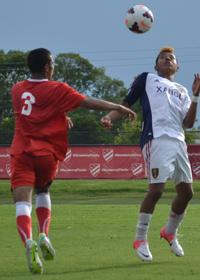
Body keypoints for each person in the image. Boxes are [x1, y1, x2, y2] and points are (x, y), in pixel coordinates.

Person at [10, 48, 136, 274]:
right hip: (46, 154)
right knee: (42, 192)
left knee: (21, 202)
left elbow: (32, 111)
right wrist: (116, 106)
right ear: (48, 67)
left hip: (21, 152)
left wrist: (60, 114)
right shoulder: (57, 88)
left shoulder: (17, 89)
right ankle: (44, 235)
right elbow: (88, 102)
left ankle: (28, 242)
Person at [101, 47, 200, 262]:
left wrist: (195, 96)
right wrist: (110, 116)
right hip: (156, 138)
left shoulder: (182, 90)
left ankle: (169, 231)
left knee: (187, 193)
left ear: (177, 66)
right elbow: (126, 103)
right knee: (156, 190)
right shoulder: (147, 79)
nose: (168, 59)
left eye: (171, 58)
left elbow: (189, 123)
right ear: (156, 65)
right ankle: (140, 238)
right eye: (163, 58)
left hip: (179, 141)